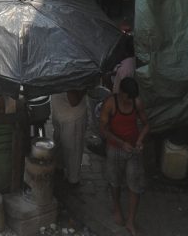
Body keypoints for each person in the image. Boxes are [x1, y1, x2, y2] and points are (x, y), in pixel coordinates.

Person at [100, 77, 150, 236]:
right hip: (115, 148)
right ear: (121, 93)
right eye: (128, 97)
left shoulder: (137, 102)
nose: (130, 101)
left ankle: (130, 221)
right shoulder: (110, 103)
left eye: (132, 98)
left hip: (133, 148)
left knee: (134, 184)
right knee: (115, 180)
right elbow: (103, 130)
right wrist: (121, 143)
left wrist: (140, 140)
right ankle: (116, 206)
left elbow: (146, 124)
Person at [51, 89, 88, 186]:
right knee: (60, 144)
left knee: (72, 151)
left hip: (72, 117)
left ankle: (73, 180)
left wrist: (84, 88)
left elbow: (74, 101)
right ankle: (59, 167)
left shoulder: (71, 76)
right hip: (60, 111)